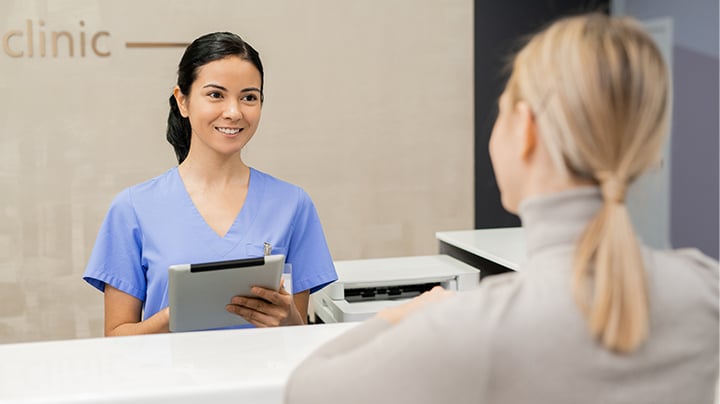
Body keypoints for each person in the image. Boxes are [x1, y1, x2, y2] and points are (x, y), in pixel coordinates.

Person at [285, 13, 719, 404]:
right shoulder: (704, 287)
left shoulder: (474, 328)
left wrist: (407, 313)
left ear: (526, 129)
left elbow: (306, 388)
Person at [83, 32, 337, 336]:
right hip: (169, 381)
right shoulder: (133, 209)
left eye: (249, 97)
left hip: (263, 381)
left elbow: (299, 334)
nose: (234, 112)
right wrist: (175, 316)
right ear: (183, 101)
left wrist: (288, 321)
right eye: (216, 94)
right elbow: (116, 339)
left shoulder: (293, 205)